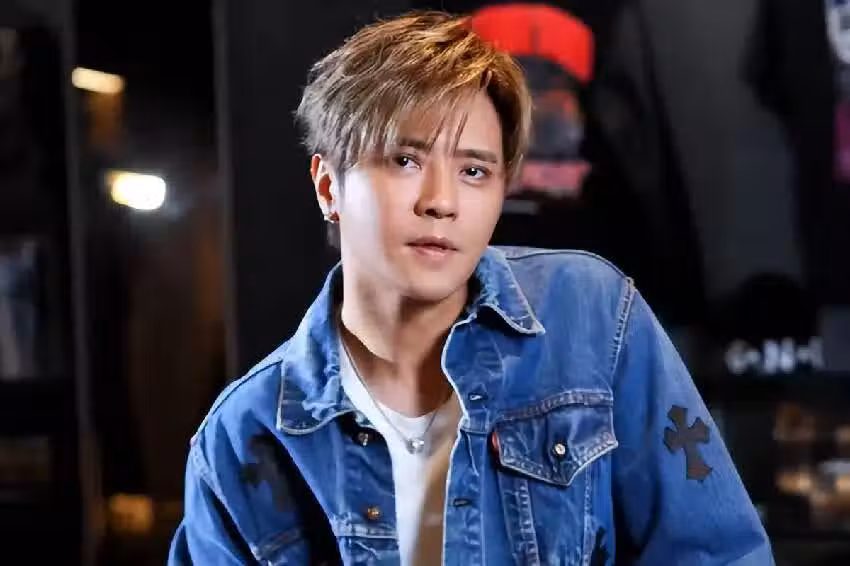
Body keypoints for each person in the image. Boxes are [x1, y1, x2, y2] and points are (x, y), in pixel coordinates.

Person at [169, 11, 774, 565]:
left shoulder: (591, 316)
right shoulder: (245, 435)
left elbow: (719, 553)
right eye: (405, 160)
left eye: (474, 171)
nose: (442, 201)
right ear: (329, 186)